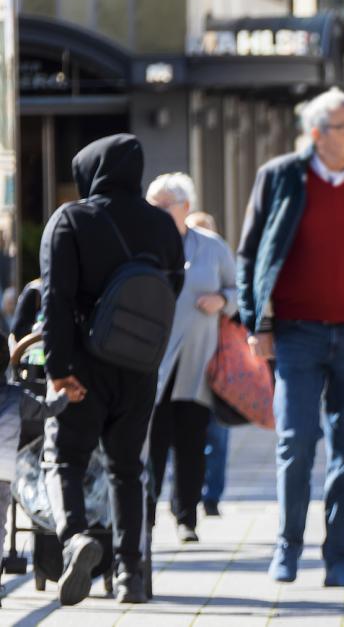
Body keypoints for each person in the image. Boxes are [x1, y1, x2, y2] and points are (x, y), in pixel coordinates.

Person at [237, 87, 344, 588]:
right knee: (295, 442)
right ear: (316, 133)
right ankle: (287, 548)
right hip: (294, 336)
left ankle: (339, 557)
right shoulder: (281, 177)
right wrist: (256, 323)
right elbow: (251, 257)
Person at [39, 134, 184, 605]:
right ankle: (130, 575)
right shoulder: (162, 225)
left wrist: (58, 368)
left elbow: (55, 300)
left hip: (83, 365)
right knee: (127, 469)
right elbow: (171, 292)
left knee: (65, 459)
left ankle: (76, 537)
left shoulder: (71, 220)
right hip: (139, 368)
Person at [146, 174, 237, 544]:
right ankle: (144, 515)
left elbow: (238, 290)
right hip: (152, 361)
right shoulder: (143, 244)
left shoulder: (212, 247)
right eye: (150, 205)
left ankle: (187, 517)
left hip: (199, 361)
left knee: (192, 442)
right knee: (149, 444)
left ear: (185, 207)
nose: (154, 212)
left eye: (162, 206)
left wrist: (222, 301)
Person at [184, 210, 233, 517]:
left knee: (217, 434)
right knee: (184, 436)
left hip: (218, 363)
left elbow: (239, 292)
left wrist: (223, 301)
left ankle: (212, 495)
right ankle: (185, 498)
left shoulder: (220, 259)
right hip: (183, 364)